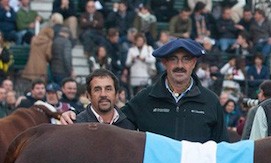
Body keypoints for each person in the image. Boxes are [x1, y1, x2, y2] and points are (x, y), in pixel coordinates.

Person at [62, 38, 228, 143]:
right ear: (164, 63)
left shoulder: (210, 102)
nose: (179, 66)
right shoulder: (146, 98)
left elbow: (222, 148)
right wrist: (74, 115)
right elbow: (111, 115)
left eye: (186, 59)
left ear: (194, 63)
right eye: (173, 59)